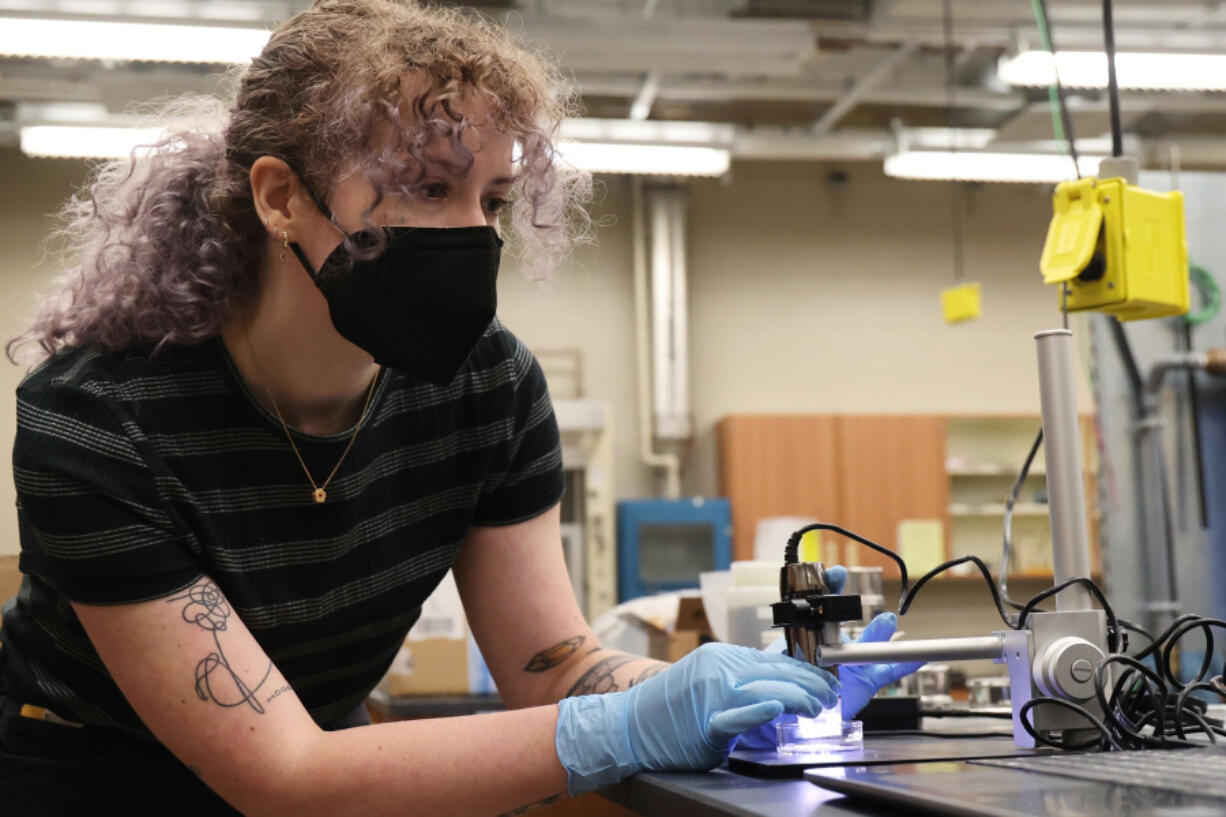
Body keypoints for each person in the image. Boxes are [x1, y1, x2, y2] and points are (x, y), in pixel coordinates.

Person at [0, 2, 918, 815]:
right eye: (429, 187)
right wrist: (621, 726)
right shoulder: (99, 420)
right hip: (89, 780)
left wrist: (738, 691)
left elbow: (552, 664)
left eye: (494, 199)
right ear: (282, 198)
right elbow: (278, 774)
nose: (475, 233)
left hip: (325, 769)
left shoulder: (488, 389)